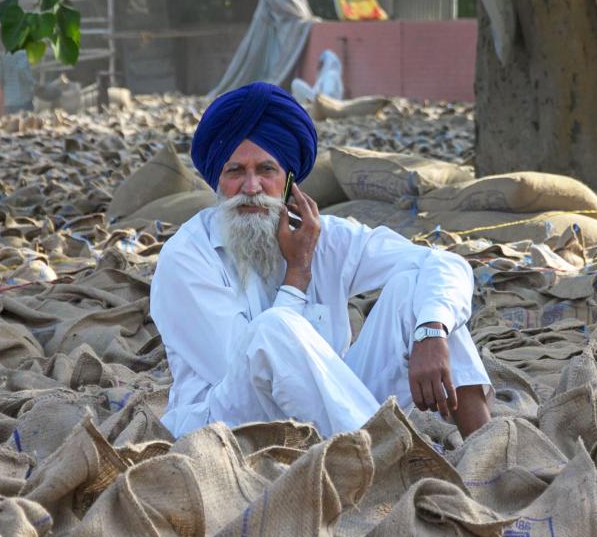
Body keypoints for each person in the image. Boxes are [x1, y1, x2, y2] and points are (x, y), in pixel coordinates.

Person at [151, 81, 492, 440]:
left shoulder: (324, 236)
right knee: (274, 329)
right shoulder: (187, 256)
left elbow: (443, 264)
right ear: (217, 180)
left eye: (266, 170)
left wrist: (430, 331)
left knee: (419, 293)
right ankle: (380, 459)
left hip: (334, 416)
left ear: (288, 183)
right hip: (229, 426)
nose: (251, 188)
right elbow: (243, 365)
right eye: (235, 172)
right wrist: (297, 272)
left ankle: (486, 461)